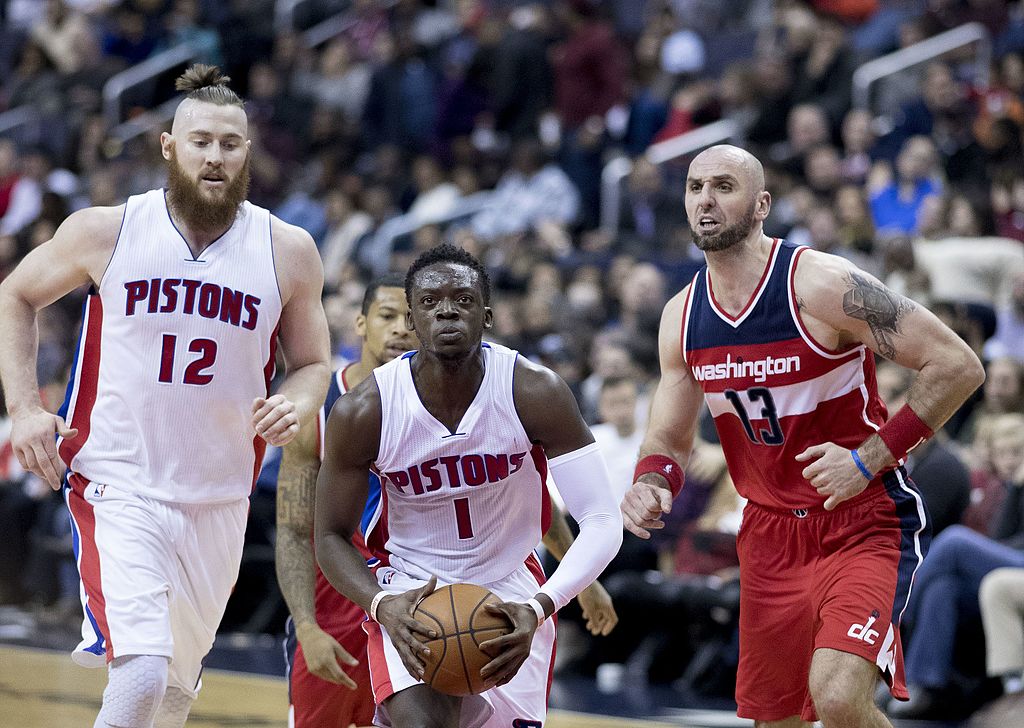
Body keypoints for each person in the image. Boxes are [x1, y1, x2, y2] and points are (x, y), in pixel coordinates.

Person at [0, 64, 331, 728]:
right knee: (143, 669)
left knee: (176, 693)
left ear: (247, 152)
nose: (216, 155)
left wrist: (297, 400)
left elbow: (314, 362)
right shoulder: (109, 230)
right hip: (120, 482)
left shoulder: (287, 249)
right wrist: (25, 407)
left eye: (230, 143)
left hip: (220, 497)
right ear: (169, 147)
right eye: (201, 140)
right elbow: (14, 295)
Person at [620, 144, 985, 727]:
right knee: (778, 720)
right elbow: (667, 438)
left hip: (861, 517)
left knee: (839, 697)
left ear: (762, 203)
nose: (705, 201)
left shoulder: (820, 284)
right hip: (766, 533)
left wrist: (867, 460)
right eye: (694, 188)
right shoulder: (682, 317)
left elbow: (957, 365)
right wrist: (651, 481)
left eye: (723, 186)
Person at [277, 272, 619, 727]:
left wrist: (545, 603)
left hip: (512, 591)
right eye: (430, 301)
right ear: (414, 321)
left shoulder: (534, 390)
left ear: (488, 316)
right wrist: (379, 604)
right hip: (411, 591)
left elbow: (599, 518)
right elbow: (326, 535)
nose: (447, 310)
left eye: (462, 298)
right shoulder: (364, 409)